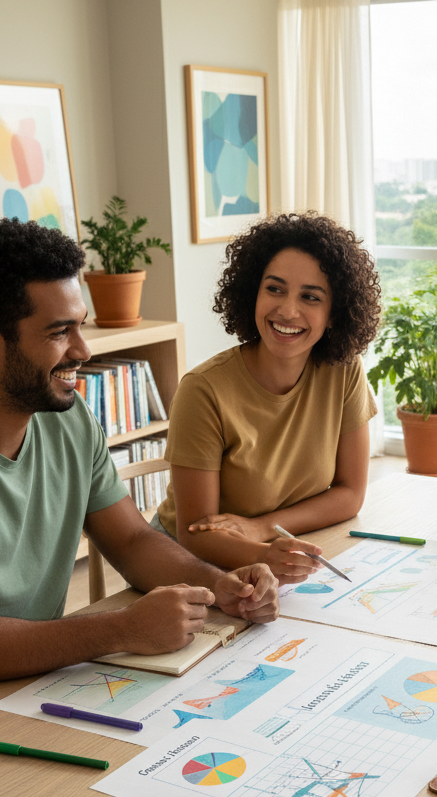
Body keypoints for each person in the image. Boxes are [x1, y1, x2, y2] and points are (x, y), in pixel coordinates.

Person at [0, 219, 279, 687]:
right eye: (59, 332)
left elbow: (131, 541)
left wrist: (218, 586)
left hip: (35, 681)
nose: (83, 350)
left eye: (81, 326)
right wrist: (119, 628)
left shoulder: (68, 415)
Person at [154, 211, 380, 579]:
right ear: (251, 293)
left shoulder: (344, 371)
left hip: (276, 547)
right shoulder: (203, 390)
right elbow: (196, 533)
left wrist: (264, 529)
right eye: (274, 289)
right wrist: (264, 550)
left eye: (310, 297)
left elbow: (350, 494)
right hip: (187, 561)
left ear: (334, 313)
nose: (287, 310)